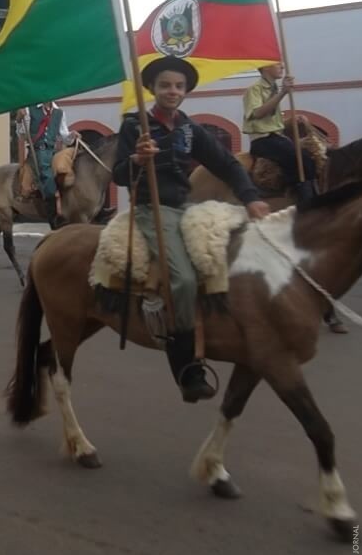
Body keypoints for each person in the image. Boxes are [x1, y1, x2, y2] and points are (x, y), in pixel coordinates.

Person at [114, 56, 271, 404]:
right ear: (152, 88)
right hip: (151, 209)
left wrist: (250, 198)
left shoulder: (188, 128)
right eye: (166, 85)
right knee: (183, 279)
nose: (173, 91)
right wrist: (137, 160)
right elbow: (117, 175)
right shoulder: (134, 126)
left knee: (230, 253)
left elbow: (226, 163)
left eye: (179, 86)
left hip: (186, 207)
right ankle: (186, 366)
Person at [242, 63, 317, 204]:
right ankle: (305, 204)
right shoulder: (254, 90)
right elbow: (257, 113)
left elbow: (270, 120)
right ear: (265, 68)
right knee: (302, 161)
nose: (282, 68)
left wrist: (291, 120)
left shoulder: (273, 89)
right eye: (278, 65)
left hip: (276, 137)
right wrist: (283, 93)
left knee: (311, 155)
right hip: (263, 141)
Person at [16, 101, 77, 229]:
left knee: (71, 164)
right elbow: (22, 134)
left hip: (52, 150)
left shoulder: (59, 112)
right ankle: (53, 217)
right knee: (47, 174)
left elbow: (64, 137)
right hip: (37, 151)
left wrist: (72, 135)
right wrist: (19, 120)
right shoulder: (29, 109)